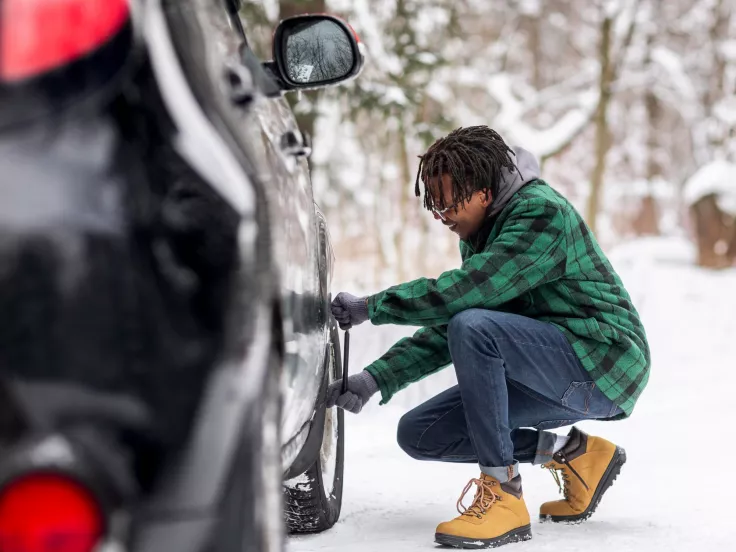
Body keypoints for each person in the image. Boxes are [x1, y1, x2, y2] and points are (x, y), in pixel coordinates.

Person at [327, 126, 650, 549]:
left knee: (475, 326)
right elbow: (453, 321)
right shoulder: (484, 234)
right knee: (421, 432)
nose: (441, 216)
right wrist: (376, 379)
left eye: (447, 203)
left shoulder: (540, 215)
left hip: (603, 363)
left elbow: (466, 300)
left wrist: (374, 307)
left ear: (482, 192)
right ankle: (575, 455)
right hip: (552, 369)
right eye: (434, 205)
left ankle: (503, 494)